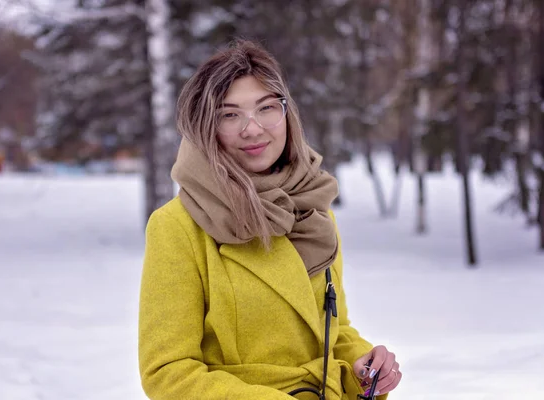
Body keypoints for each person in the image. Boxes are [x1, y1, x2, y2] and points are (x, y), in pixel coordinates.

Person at [138, 39, 402, 400]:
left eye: (266, 108)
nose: (253, 129)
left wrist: (362, 366)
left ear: (286, 113)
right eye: (229, 115)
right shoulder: (179, 226)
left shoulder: (314, 208)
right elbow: (167, 372)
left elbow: (332, 331)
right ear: (205, 127)